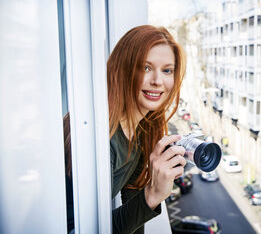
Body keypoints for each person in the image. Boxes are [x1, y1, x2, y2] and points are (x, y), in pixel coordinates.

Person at [64, 25, 187, 234]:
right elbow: (92, 230)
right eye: (146, 68)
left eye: (167, 70)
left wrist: (148, 194)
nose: (157, 81)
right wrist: (153, 194)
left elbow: (132, 211)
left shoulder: (142, 131)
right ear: (123, 69)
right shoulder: (100, 137)